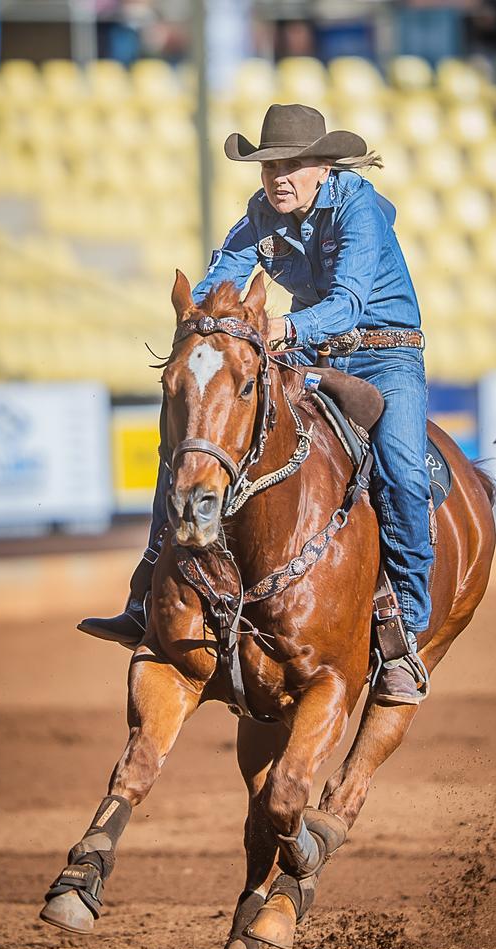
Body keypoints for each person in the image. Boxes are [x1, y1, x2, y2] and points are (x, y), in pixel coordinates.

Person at [79, 103, 434, 705]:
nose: (279, 178)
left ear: (324, 167)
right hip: (305, 351)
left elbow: (347, 305)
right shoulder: (260, 215)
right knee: (198, 445)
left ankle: (407, 633)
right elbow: (224, 274)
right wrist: (211, 324)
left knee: (402, 473)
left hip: (384, 354)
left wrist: (277, 330)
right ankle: (146, 593)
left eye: (293, 165)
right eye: (270, 166)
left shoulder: (361, 209)